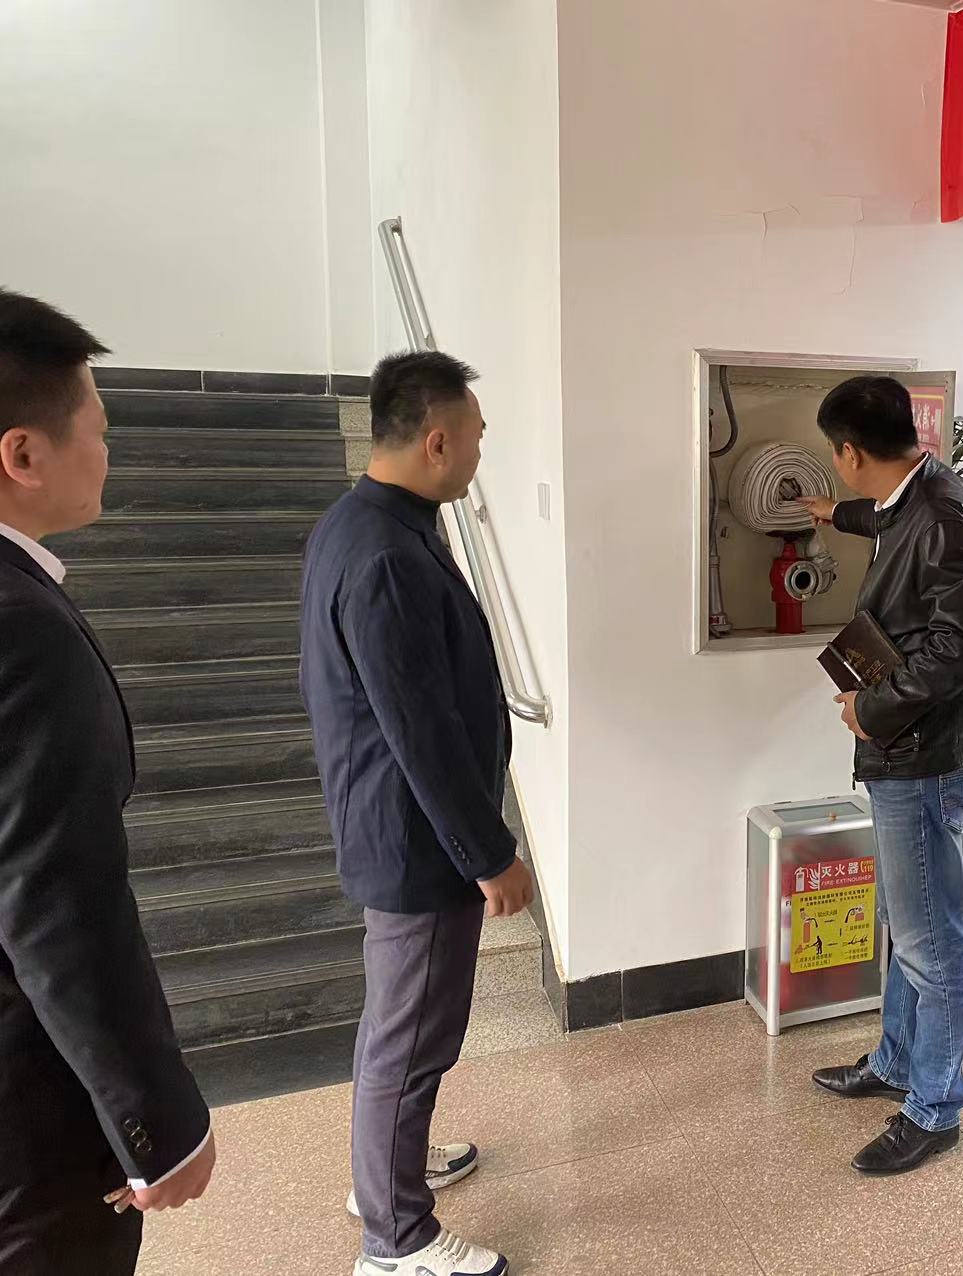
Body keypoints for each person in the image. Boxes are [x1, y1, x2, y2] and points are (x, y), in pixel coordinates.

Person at [300, 350, 535, 1276]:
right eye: (475, 436)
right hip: (417, 841)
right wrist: (489, 853)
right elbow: (421, 730)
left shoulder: (365, 523)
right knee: (413, 1035)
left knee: (397, 1024)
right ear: (436, 440)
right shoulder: (387, 555)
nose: (479, 451)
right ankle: (395, 1238)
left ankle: (383, 1173)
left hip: (396, 826)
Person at [0, 288, 215, 1272]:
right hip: (27, 1127)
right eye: (98, 429)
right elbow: (54, 900)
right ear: (23, 454)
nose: (108, 451)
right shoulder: (22, 629)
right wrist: (153, 1122)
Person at [798, 376, 963, 1176]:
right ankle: (897, 1062)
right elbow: (883, 518)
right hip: (911, 753)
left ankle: (935, 1109)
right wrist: (833, 514)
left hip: (921, 757)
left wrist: (871, 710)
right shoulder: (912, 494)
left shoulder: (942, 517)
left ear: (850, 451)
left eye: (833, 454)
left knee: (929, 939)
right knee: (907, 925)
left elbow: (960, 645)